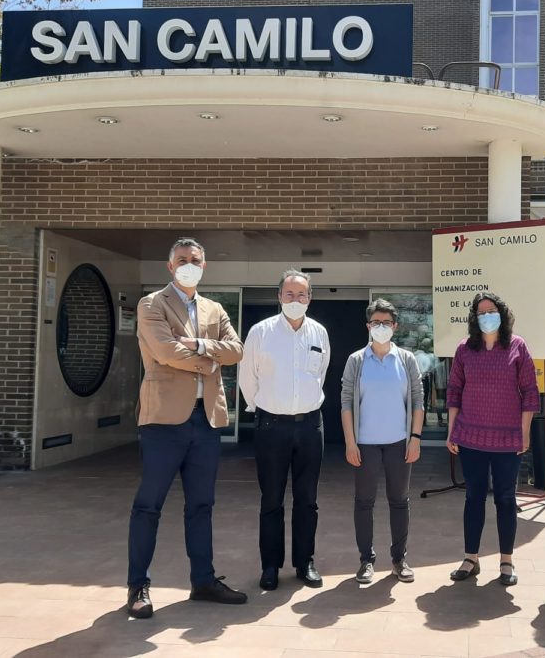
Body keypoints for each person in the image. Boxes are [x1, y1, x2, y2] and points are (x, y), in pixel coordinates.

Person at [127, 237, 247, 619]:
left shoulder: (215, 308)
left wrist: (196, 344)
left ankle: (203, 581)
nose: (188, 265)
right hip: (163, 420)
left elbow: (236, 350)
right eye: (181, 260)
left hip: (205, 420)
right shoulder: (152, 304)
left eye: (195, 260)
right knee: (149, 505)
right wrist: (209, 359)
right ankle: (138, 586)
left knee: (201, 505)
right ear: (170, 266)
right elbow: (164, 351)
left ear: (204, 266)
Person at [238, 269, 331, 591]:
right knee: (271, 500)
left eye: (301, 294)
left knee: (307, 500)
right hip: (271, 426)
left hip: (310, 426)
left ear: (310, 298)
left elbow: (320, 374)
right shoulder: (260, 332)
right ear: (279, 297)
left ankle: (305, 562)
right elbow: (247, 378)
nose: (295, 299)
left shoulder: (319, 333)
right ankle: (270, 566)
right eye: (289, 294)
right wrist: (265, 406)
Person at [445, 292, 539, 586]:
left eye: (492, 311)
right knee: (473, 497)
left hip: (507, 439)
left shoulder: (517, 346)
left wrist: (524, 432)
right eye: (481, 312)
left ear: (502, 314)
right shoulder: (464, 349)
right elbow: (454, 390)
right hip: (470, 436)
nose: (487, 316)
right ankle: (470, 558)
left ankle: (506, 561)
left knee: (506, 499)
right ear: (474, 318)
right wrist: (451, 430)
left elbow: (530, 392)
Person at [340, 298, 426, 584]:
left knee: (399, 501)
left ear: (395, 326)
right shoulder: (356, 360)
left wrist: (415, 438)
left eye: (386, 323)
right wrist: (350, 443)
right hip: (365, 445)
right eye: (376, 322)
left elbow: (418, 400)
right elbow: (346, 403)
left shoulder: (406, 359)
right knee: (364, 502)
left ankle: (399, 559)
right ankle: (366, 560)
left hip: (399, 443)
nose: (381, 327)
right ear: (368, 326)